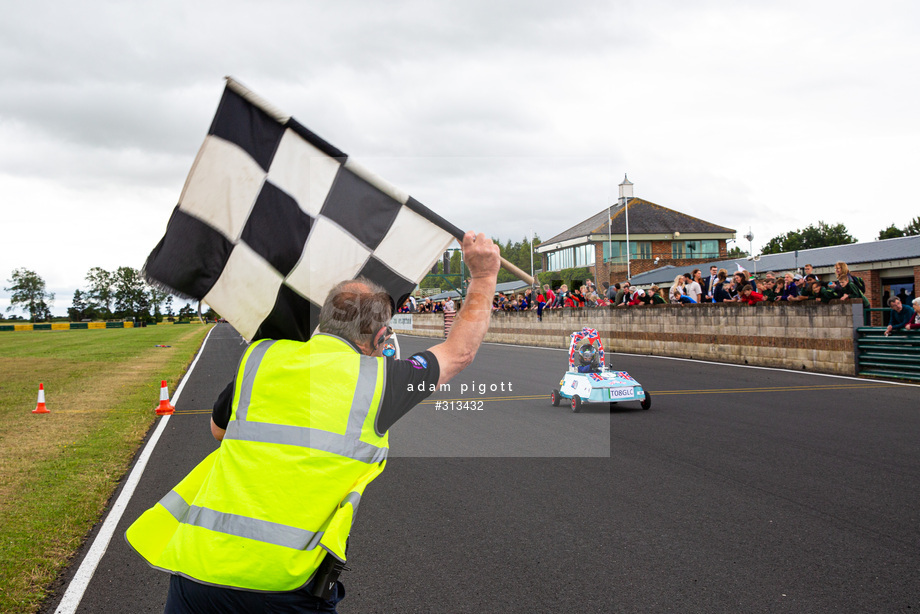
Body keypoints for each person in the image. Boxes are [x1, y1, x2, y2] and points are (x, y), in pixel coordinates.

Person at [126, 231, 501, 613]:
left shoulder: (263, 358)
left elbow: (218, 430)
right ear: (381, 336)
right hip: (282, 588)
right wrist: (484, 277)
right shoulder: (384, 382)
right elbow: (459, 351)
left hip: (196, 572)